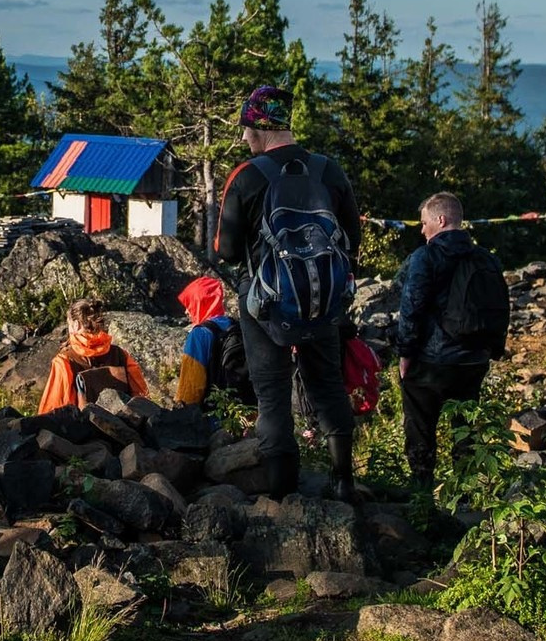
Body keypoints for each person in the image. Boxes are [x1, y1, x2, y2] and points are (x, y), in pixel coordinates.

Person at [213, 84, 363, 500]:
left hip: (265, 304)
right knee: (328, 385)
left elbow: (225, 251)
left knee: (272, 391)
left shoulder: (246, 177)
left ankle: (282, 494)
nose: (243, 137)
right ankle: (343, 481)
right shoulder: (328, 170)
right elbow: (353, 237)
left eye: (246, 127)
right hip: (323, 301)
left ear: (261, 126)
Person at [392, 192, 506, 509]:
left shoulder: (425, 258)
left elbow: (411, 308)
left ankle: (422, 499)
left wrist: (405, 354)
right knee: (465, 432)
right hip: (473, 361)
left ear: (440, 221)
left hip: (432, 360)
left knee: (420, 432)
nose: (422, 230)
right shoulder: (485, 258)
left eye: (425, 222)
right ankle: (465, 501)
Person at [38, 297, 148, 412]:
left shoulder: (64, 360)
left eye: (68, 323)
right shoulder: (121, 355)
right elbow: (142, 398)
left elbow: (54, 409)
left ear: (76, 325)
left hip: (84, 428)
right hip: (123, 426)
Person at [173, 275, 247, 405]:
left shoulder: (199, 334)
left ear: (199, 303)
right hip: (248, 409)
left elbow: (191, 389)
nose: (186, 311)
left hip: (215, 416)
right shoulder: (236, 326)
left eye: (189, 304)